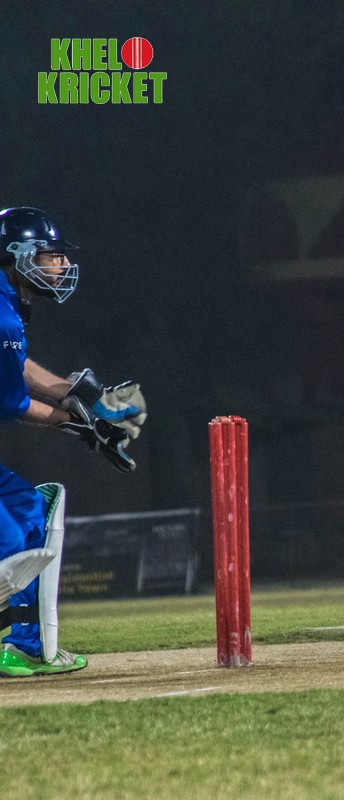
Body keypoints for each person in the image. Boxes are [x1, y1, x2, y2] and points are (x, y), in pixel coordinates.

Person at [0, 206, 146, 677]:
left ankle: (26, 645)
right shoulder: (3, 316)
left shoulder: (7, 304)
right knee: (10, 540)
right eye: (52, 255)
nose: (63, 265)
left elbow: (16, 367)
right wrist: (81, 425)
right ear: (18, 254)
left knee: (26, 514)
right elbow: (13, 404)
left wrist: (72, 393)